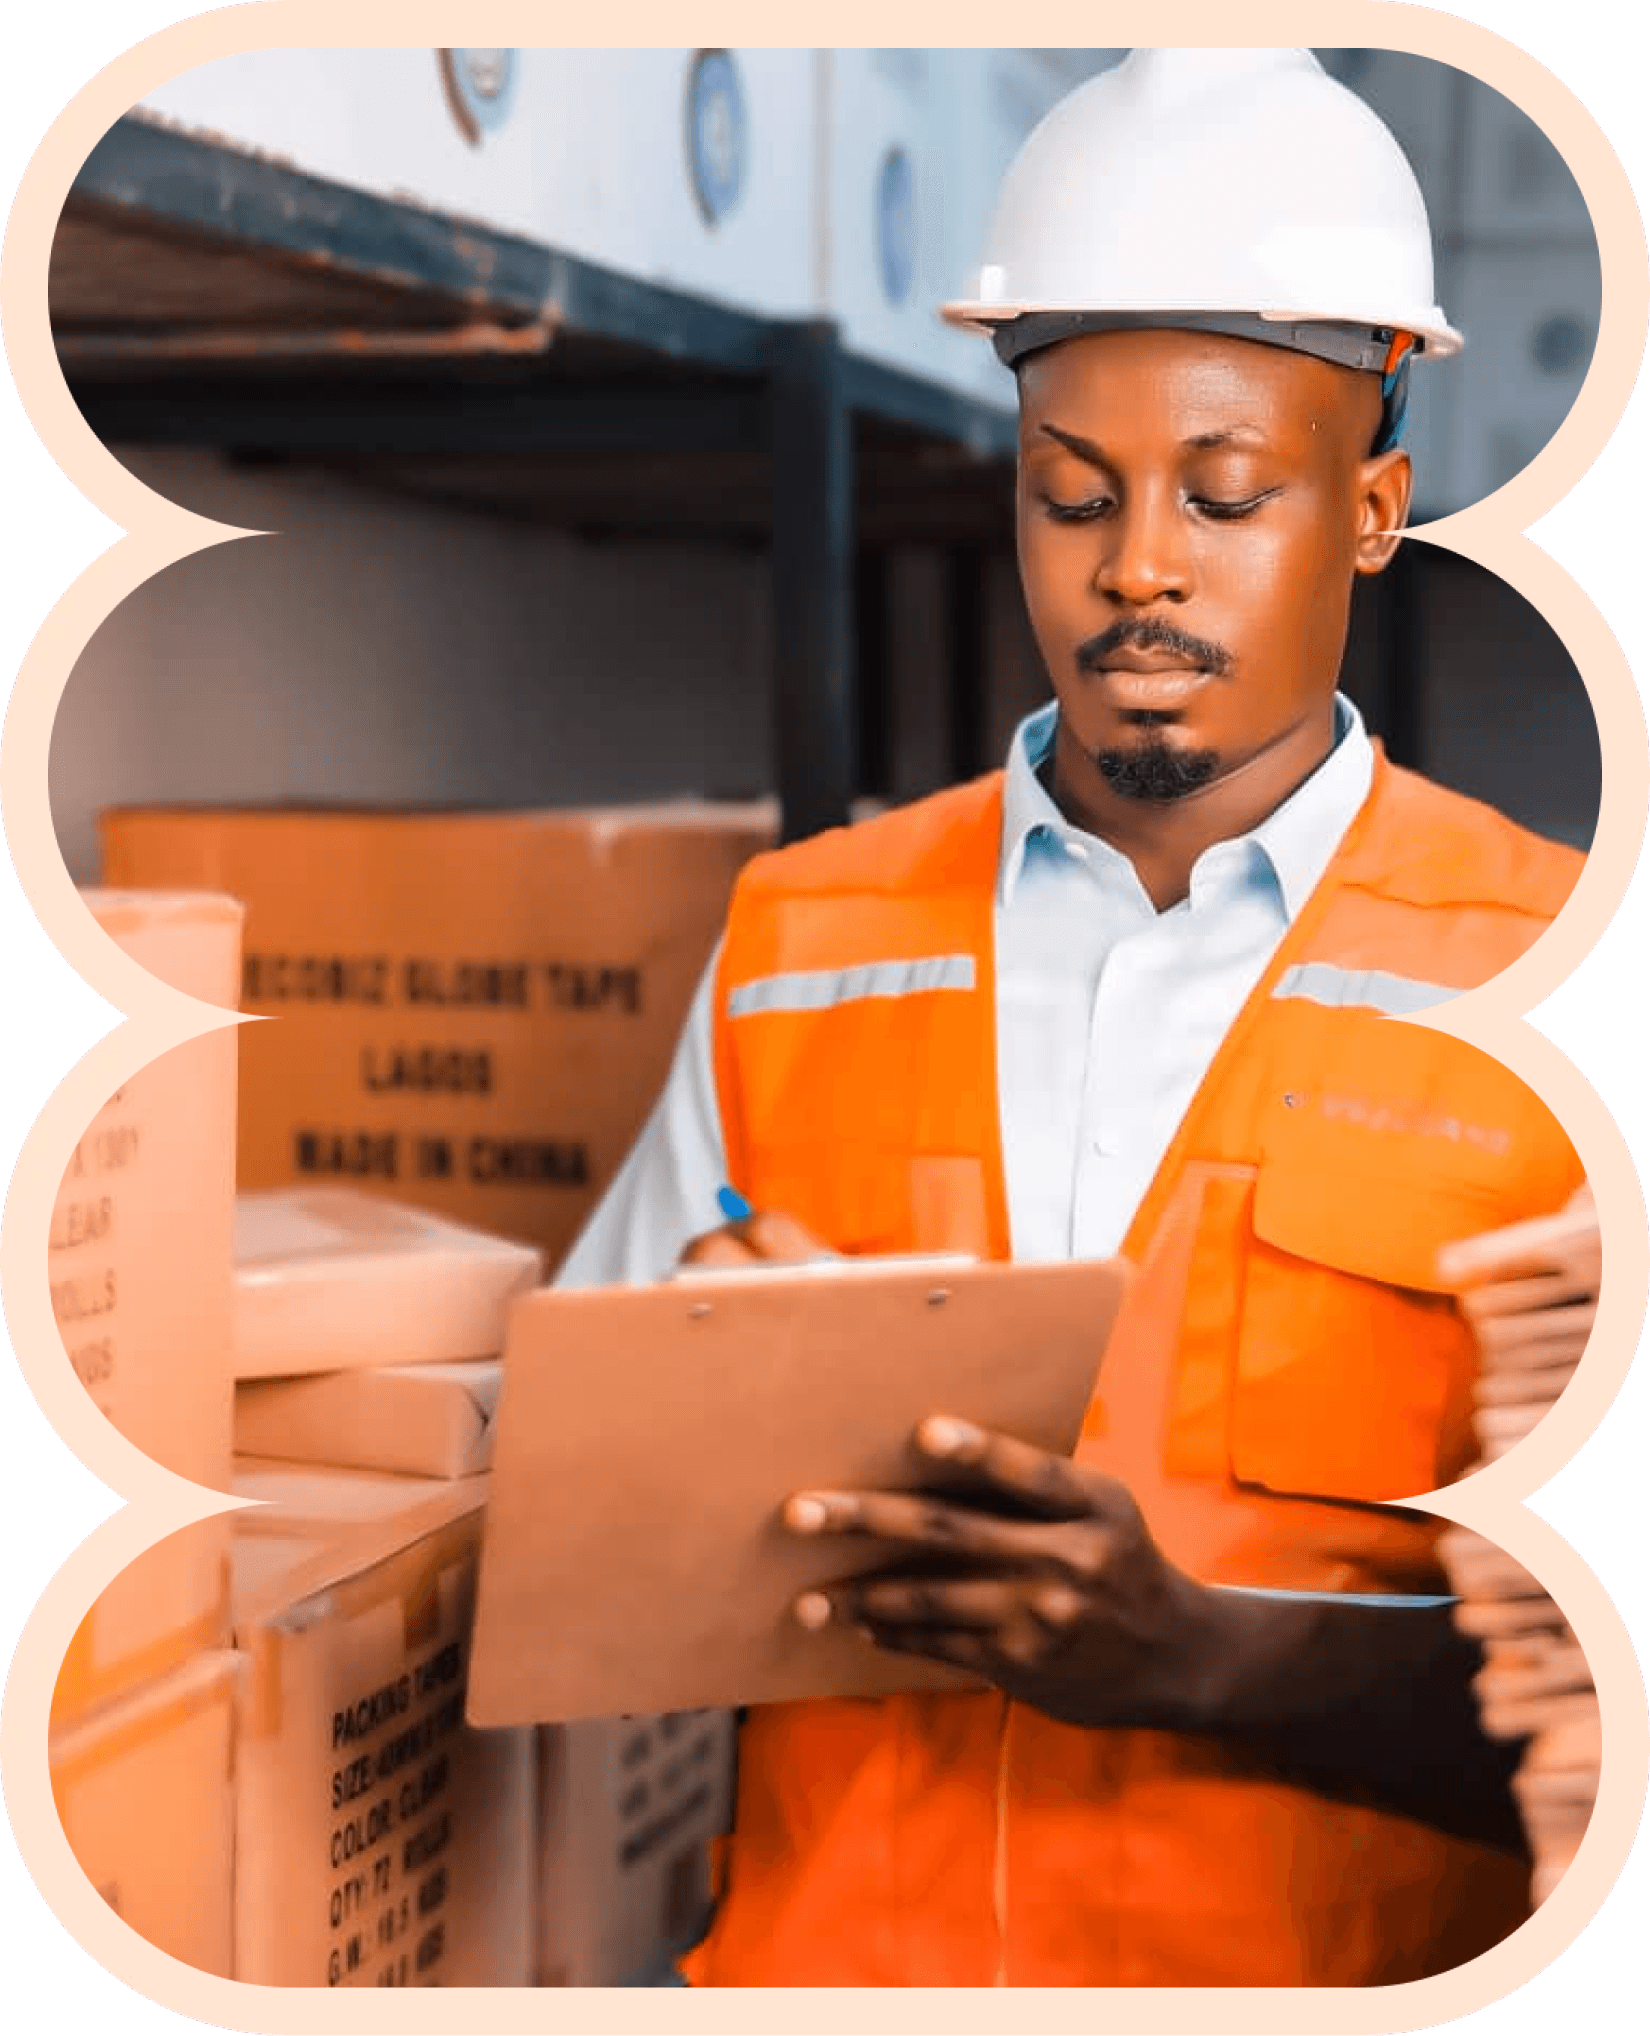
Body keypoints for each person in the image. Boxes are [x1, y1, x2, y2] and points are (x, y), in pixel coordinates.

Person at [557, 49, 1589, 1986]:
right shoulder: (803, 934)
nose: (1137, 567)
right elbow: (551, 1521)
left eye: (1225, 495)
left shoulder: (1551, 977)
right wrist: (703, 1423)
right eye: (1070, 494)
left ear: (1372, 510)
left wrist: (1216, 1651)